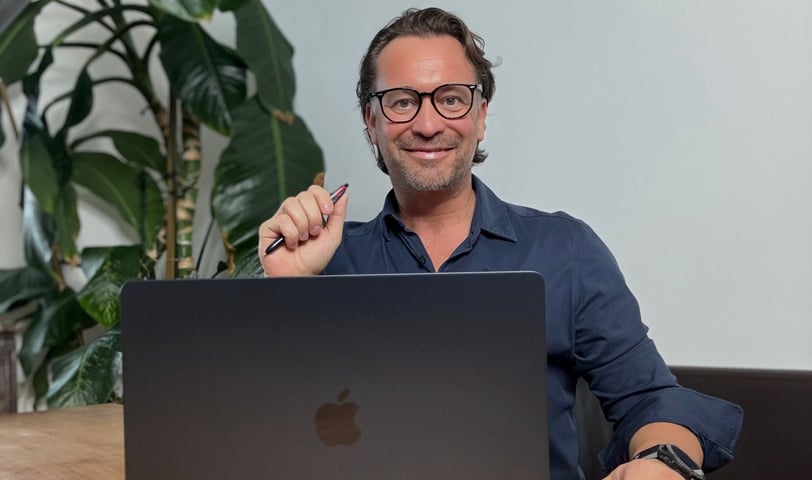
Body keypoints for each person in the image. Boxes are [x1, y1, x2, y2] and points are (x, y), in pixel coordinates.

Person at [258, 7, 742, 479]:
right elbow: (261, 429)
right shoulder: (327, 261)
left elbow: (648, 399)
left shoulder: (566, 250)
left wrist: (662, 462)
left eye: (451, 99)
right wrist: (289, 289)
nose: (427, 124)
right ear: (371, 121)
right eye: (402, 102)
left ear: (481, 114)